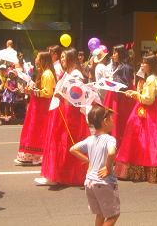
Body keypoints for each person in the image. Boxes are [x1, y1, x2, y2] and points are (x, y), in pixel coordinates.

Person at [115, 55, 157, 183]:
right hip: (154, 111)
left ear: (150, 65)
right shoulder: (153, 77)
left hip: (150, 112)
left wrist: (135, 94)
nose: (142, 65)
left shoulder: (151, 78)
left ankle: (145, 167)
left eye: (144, 63)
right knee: (153, 140)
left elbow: (148, 99)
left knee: (148, 139)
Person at [35, 48, 90, 186]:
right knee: (59, 143)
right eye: (62, 57)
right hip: (63, 111)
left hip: (71, 114)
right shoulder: (68, 73)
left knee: (64, 143)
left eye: (65, 57)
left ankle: (57, 175)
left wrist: (62, 95)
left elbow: (77, 95)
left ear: (71, 58)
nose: (62, 59)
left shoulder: (76, 74)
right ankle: (55, 174)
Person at [70, 105, 120, 226]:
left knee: (100, 213)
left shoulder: (90, 139)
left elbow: (72, 149)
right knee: (113, 215)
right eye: (111, 119)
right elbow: (112, 152)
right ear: (105, 122)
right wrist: (108, 167)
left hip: (89, 182)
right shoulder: (109, 139)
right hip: (104, 183)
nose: (113, 121)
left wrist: (88, 160)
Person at [15, 51, 56, 165]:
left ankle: (39, 156)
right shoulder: (43, 72)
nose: (36, 59)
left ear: (42, 59)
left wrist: (33, 91)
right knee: (34, 129)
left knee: (39, 130)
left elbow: (48, 93)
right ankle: (31, 155)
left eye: (37, 57)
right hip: (38, 106)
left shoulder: (47, 74)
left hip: (43, 107)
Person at [103, 44, 135, 146]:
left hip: (120, 98)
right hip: (114, 96)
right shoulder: (118, 66)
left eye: (115, 52)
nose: (113, 55)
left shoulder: (125, 67)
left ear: (120, 53)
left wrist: (113, 81)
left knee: (119, 121)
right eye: (113, 53)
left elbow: (125, 84)